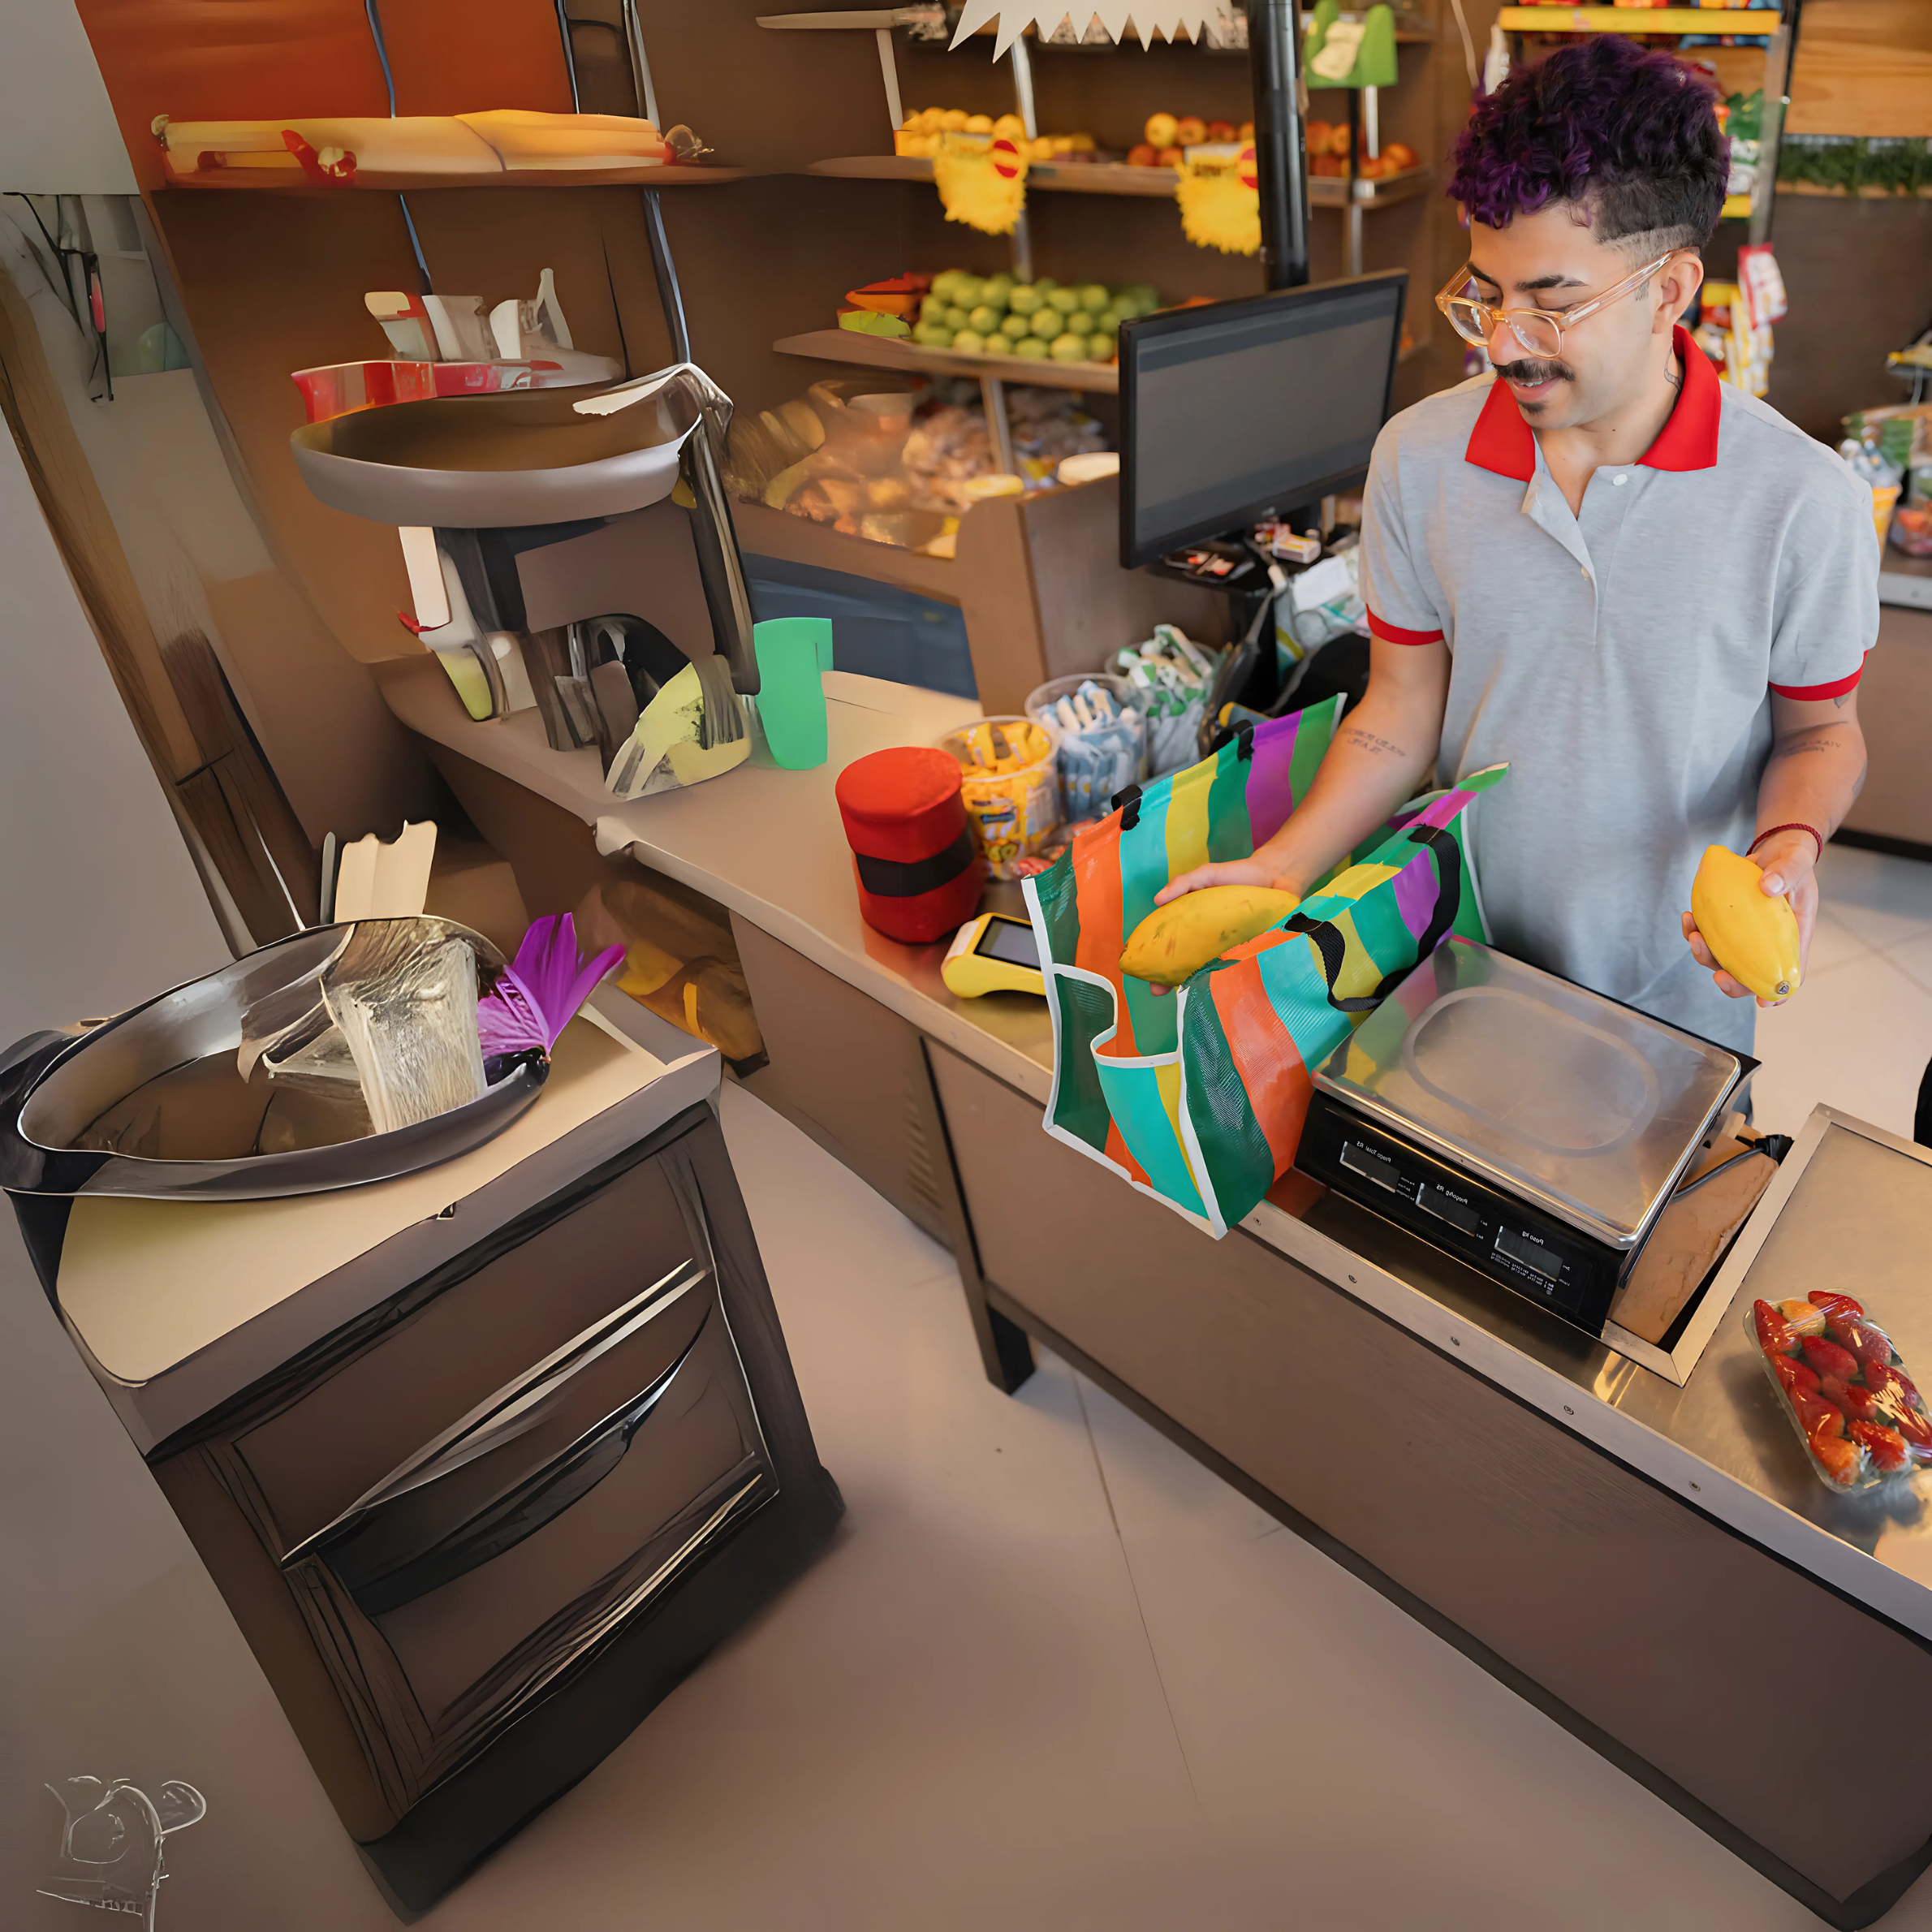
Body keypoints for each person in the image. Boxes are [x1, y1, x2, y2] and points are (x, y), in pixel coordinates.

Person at [1158, 36, 1875, 1054]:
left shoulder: (1803, 500)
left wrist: (1787, 847)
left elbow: (1819, 732)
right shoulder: (1418, 457)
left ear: (1669, 290)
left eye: (1551, 303)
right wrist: (1283, 865)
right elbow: (1400, 709)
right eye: (1487, 293)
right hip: (1452, 957)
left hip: (1676, 988)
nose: (1501, 342)